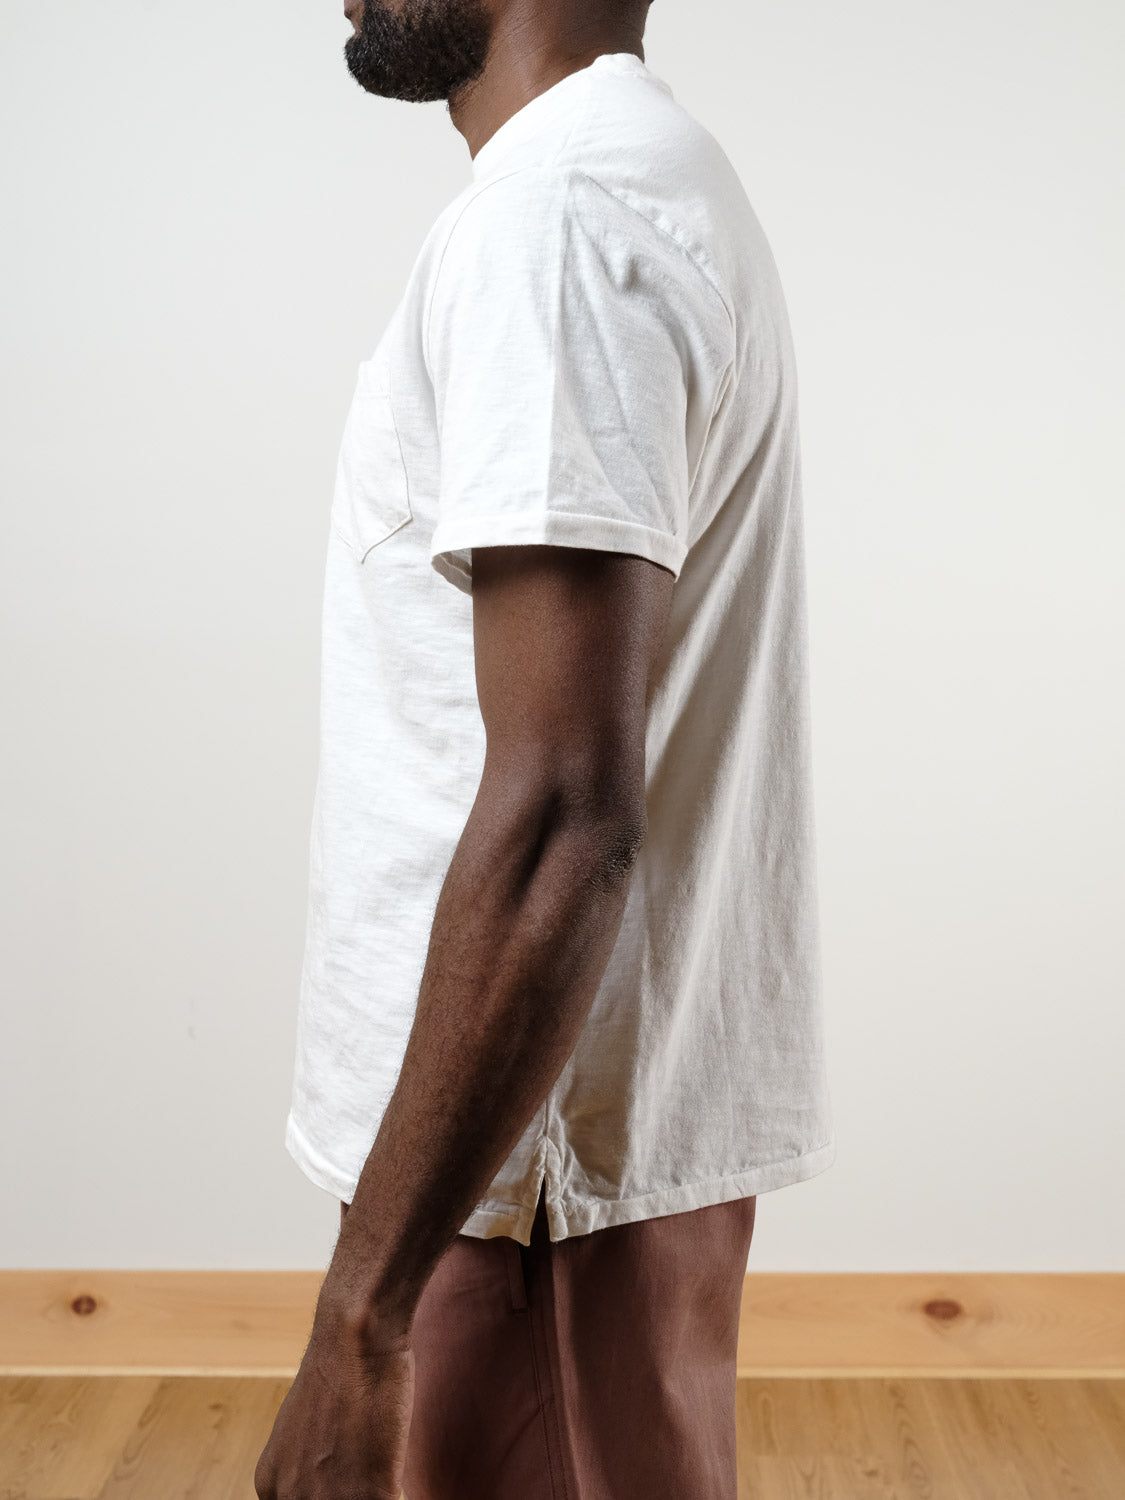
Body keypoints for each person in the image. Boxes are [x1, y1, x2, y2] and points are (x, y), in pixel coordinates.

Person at [254, 1, 836, 1496]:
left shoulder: (559, 224)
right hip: (531, 1162)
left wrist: (359, 1323)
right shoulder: (619, 180)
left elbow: (565, 813)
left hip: (522, 1192)